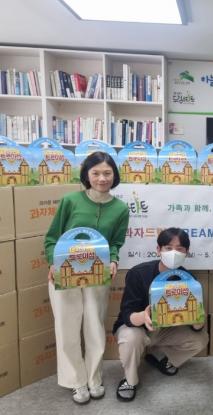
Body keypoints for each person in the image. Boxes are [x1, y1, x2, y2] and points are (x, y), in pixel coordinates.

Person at [44, 151, 129, 404]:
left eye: (107, 173)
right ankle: (76, 382)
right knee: (67, 327)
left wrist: (113, 259)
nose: (102, 178)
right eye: (96, 173)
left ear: (114, 175)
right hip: (65, 273)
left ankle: (94, 378)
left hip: (98, 274)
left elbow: (116, 242)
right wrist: (53, 263)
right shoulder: (70, 201)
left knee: (95, 327)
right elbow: (52, 238)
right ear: (86, 175)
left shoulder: (121, 208)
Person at [113, 228, 208, 402]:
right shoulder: (138, 273)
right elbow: (126, 314)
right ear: (158, 249)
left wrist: (198, 321)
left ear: (186, 252)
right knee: (131, 337)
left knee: (201, 339)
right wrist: (143, 317)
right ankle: (129, 380)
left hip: (165, 330)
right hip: (137, 328)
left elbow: (194, 326)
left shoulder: (188, 279)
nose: (174, 253)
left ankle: (162, 358)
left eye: (180, 249)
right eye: (168, 248)